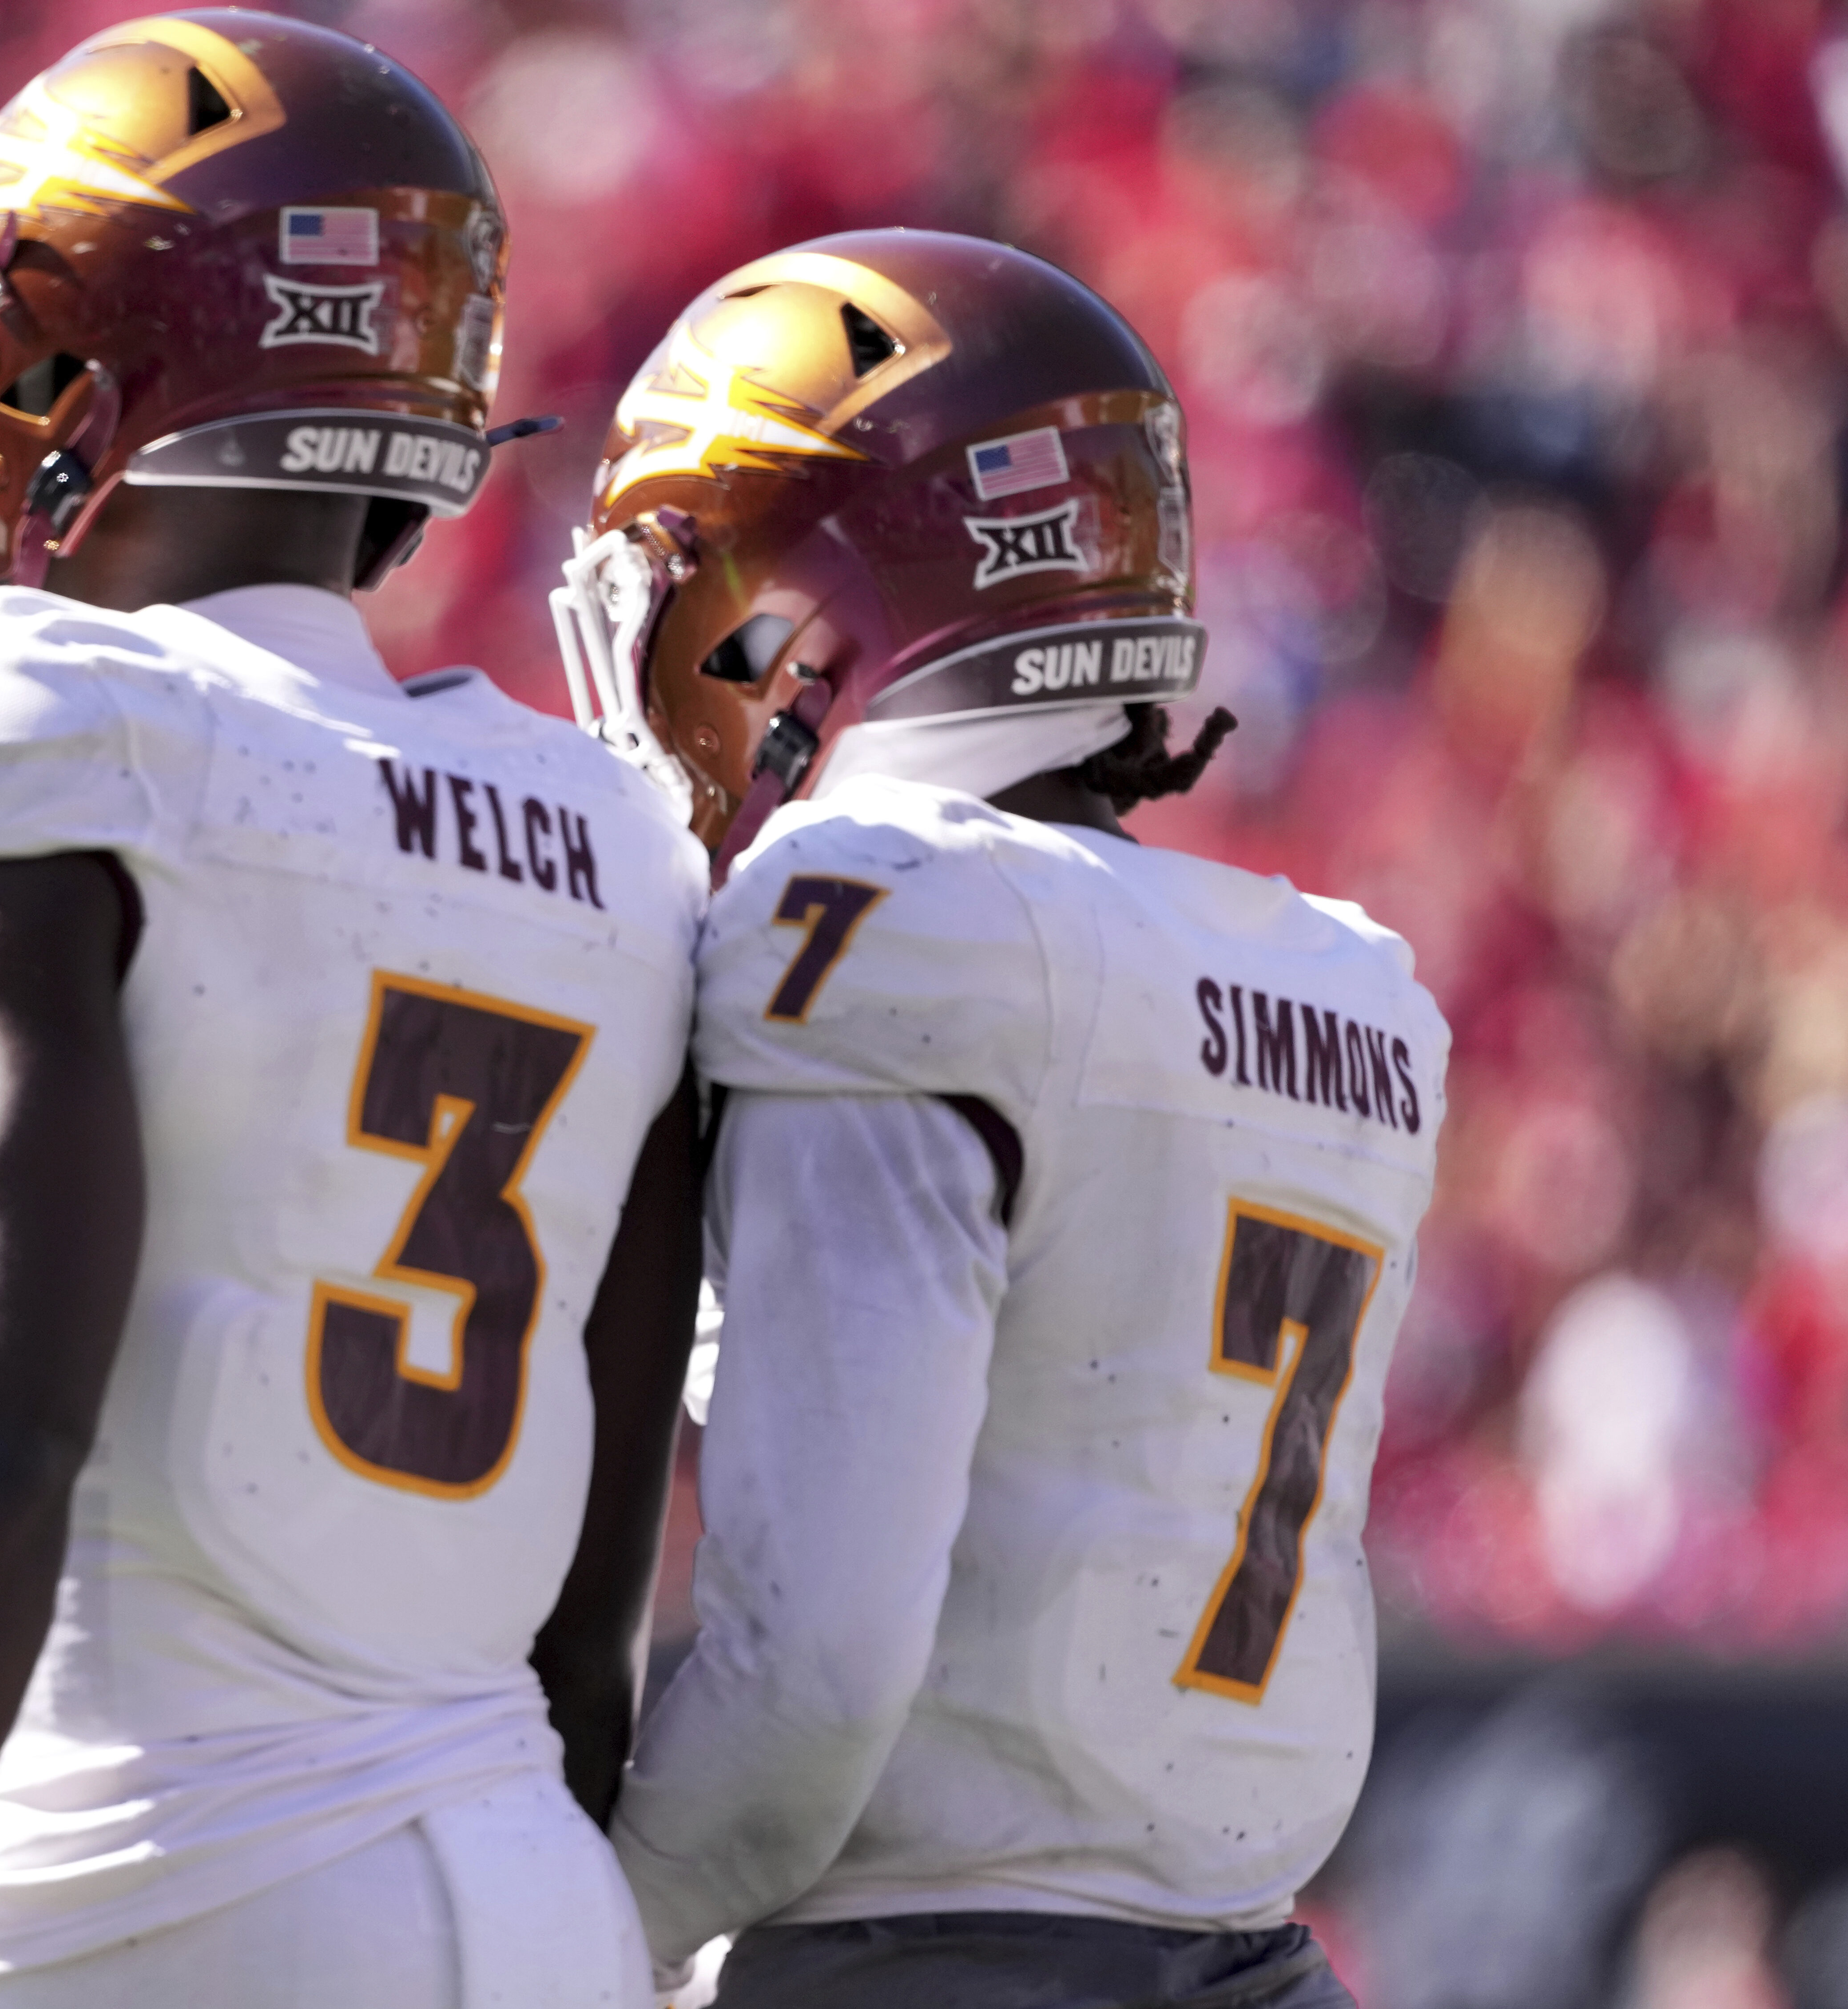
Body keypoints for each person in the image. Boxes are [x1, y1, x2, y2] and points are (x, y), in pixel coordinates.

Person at [0, 16, 707, 2009]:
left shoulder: (45, 726)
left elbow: (0, 1407)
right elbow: (600, 1578)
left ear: (76, 382)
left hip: (147, 1885)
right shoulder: (612, 829)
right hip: (527, 1879)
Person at [547, 230, 1445, 2009]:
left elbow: (814, 1676)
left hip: (928, 1960)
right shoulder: (1355, 984)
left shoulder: (885, 912)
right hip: (1260, 1959)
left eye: (714, 581)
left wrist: (580, 1942)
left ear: (828, 598)